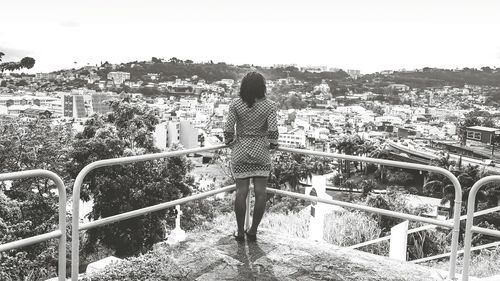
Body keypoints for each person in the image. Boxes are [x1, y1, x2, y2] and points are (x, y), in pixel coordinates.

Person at [223, 72, 279, 242]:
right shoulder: (269, 106)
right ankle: (253, 230)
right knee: (261, 194)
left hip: (240, 150)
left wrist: (229, 142)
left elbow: (227, 128)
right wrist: (273, 143)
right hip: (261, 152)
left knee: (241, 193)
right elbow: (273, 130)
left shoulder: (236, 104)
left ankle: (240, 232)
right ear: (262, 87)